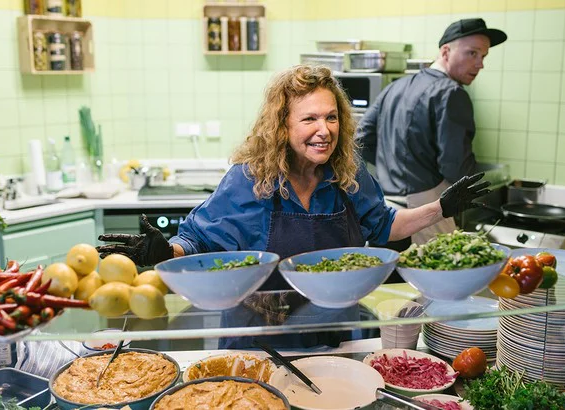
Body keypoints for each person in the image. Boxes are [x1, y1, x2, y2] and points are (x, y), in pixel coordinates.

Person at [97, 65, 489, 346]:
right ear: (282, 126)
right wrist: (165, 252)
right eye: (310, 119)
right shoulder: (249, 178)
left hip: (335, 331)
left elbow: (386, 225)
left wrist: (441, 207)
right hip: (260, 339)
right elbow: (198, 240)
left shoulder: (348, 172)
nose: (325, 130)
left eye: (332, 117)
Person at [357, 18, 507, 245]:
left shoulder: (395, 86)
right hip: (426, 210)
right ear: (446, 52)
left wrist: (391, 167)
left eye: (483, 56)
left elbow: (360, 139)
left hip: (386, 213)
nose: (480, 64)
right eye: (472, 53)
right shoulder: (451, 93)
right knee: (439, 266)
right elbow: (457, 169)